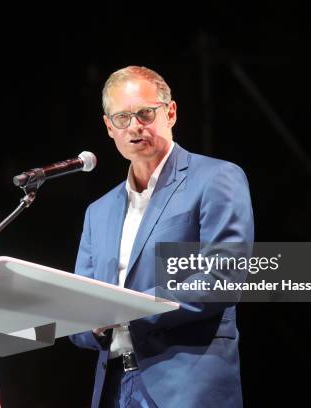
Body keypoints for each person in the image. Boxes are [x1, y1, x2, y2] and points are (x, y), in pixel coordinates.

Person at [69, 66, 254, 408]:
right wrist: (88, 323)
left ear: (170, 113)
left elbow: (223, 277)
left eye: (145, 113)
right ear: (109, 127)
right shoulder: (99, 211)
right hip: (113, 388)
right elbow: (78, 314)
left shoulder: (216, 178)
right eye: (122, 118)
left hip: (186, 385)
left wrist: (130, 309)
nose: (135, 126)